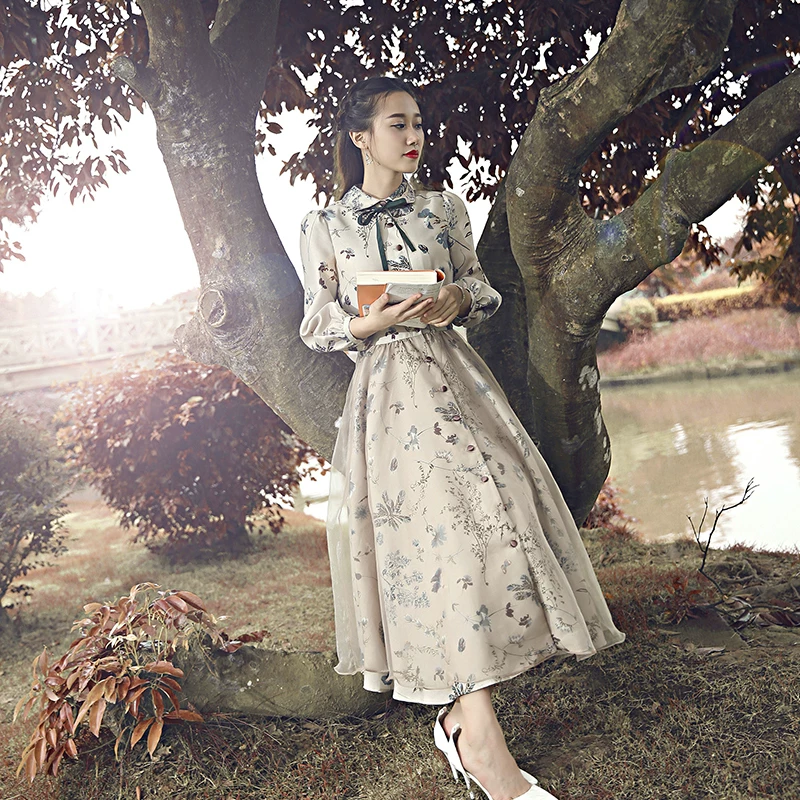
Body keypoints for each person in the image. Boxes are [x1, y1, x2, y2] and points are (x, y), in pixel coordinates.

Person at [298, 76, 625, 800]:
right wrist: (368, 322)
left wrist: (455, 297)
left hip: (458, 381)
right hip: (387, 395)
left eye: (417, 122)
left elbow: (482, 287)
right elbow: (317, 322)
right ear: (360, 137)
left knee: (496, 524)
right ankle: (477, 737)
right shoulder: (325, 224)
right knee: (430, 545)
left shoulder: (444, 207)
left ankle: (462, 719)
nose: (414, 135)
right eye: (397, 124)